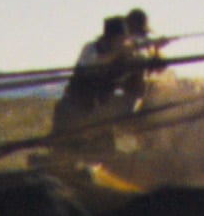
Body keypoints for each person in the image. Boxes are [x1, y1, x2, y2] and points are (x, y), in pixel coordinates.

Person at [51, 9, 168, 145]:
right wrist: (120, 53)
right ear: (111, 40)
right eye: (122, 40)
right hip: (75, 109)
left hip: (100, 113)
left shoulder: (129, 55)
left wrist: (156, 50)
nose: (127, 42)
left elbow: (155, 67)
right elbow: (97, 62)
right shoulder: (91, 49)